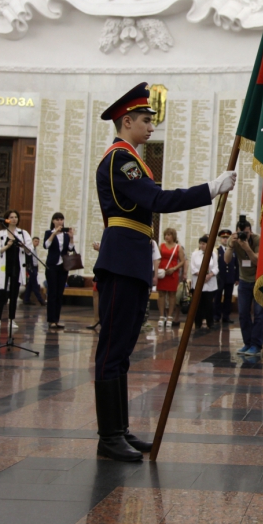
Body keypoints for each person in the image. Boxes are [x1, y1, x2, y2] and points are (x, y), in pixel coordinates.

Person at [91, 82, 234, 462]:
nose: (151, 127)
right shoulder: (120, 159)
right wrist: (210, 189)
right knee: (111, 349)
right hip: (122, 260)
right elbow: (157, 200)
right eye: (145, 120)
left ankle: (118, 430)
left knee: (121, 351)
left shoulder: (131, 158)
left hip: (131, 259)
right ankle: (108, 437)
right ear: (126, 122)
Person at [226, 218, 263, 356]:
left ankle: (256, 345)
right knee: (243, 314)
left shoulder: (258, 239)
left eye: (246, 233)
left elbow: (257, 261)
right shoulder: (235, 240)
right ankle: (247, 343)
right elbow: (226, 260)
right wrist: (230, 245)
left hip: (259, 281)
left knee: (259, 314)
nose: (244, 236)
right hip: (244, 281)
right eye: (241, 233)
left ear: (251, 232)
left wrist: (246, 247)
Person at [0, 210, 34, 333]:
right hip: (4, 267)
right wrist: (7, 246)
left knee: (14, 294)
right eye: (11, 217)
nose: (14, 219)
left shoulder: (22, 233)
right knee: (1, 294)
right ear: (6, 219)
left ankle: (11, 319)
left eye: (16, 217)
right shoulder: (0, 233)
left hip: (17, 267)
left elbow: (29, 250)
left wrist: (23, 246)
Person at [44, 212, 75, 329]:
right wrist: (54, 233)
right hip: (52, 266)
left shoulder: (66, 235)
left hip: (63, 266)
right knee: (52, 293)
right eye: (57, 219)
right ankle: (51, 319)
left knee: (59, 293)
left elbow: (71, 249)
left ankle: (56, 319)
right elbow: (46, 245)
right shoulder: (48, 232)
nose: (59, 221)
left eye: (61, 219)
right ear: (53, 221)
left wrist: (71, 237)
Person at [156, 228, 186, 328]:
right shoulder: (161, 246)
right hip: (163, 272)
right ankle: (161, 316)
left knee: (172, 294)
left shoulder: (178, 247)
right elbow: (158, 258)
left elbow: (182, 261)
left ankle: (169, 316)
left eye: (169, 235)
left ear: (173, 236)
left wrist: (174, 268)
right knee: (161, 294)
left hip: (173, 272)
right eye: (166, 235)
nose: (167, 237)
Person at [190, 235, 219, 330]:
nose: (201, 245)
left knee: (209, 303)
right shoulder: (195, 254)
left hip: (210, 283)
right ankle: (198, 322)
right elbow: (193, 267)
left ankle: (210, 322)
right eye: (200, 243)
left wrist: (209, 275)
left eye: (204, 244)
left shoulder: (213, 254)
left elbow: (216, 267)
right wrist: (201, 275)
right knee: (198, 303)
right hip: (198, 282)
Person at [215, 229, 238, 325]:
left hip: (229, 278)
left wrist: (237, 278)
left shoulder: (233, 251)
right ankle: (216, 316)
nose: (225, 239)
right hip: (220, 278)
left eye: (227, 238)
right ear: (220, 239)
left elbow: (237, 265)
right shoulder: (217, 251)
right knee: (217, 297)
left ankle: (226, 316)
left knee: (228, 297)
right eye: (223, 238)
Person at [22, 236, 46, 306]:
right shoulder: (30, 249)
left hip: (35, 267)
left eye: (38, 241)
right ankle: (40, 300)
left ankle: (26, 299)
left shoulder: (35, 249)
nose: (37, 243)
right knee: (35, 284)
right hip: (31, 267)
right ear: (32, 241)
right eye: (35, 241)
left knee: (30, 284)